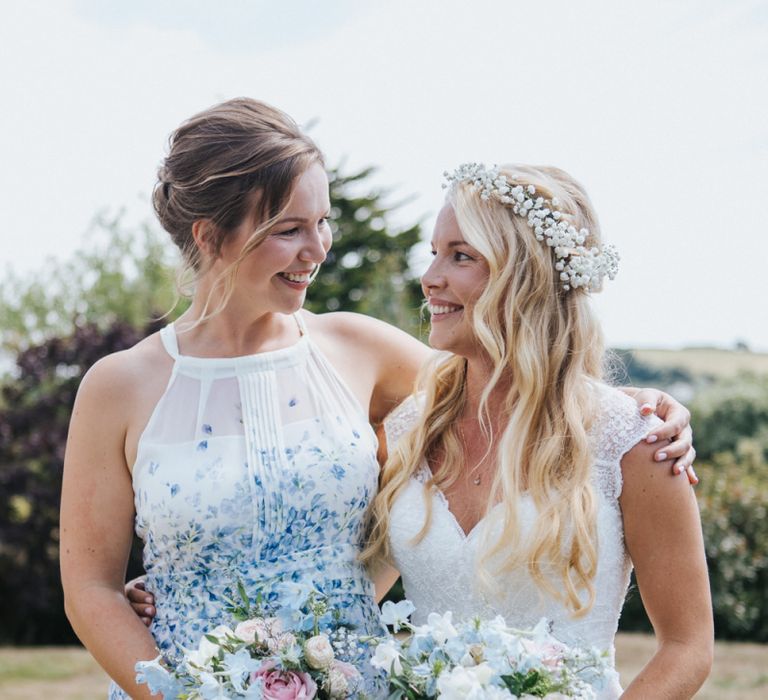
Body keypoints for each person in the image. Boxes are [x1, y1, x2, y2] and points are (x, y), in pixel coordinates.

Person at [64, 98, 692, 698]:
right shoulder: (119, 386)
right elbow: (90, 588)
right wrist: (182, 693)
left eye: (323, 222)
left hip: (359, 682)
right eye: (290, 230)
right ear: (208, 236)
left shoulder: (358, 348)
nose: (318, 250)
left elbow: (519, 387)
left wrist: (644, 407)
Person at [362, 163, 713, 699]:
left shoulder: (634, 441)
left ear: (524, 275)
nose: (430, 277)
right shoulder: (410, 428)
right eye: (434, 252)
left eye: (461, 256)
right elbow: (361, 591)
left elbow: (688, 647)